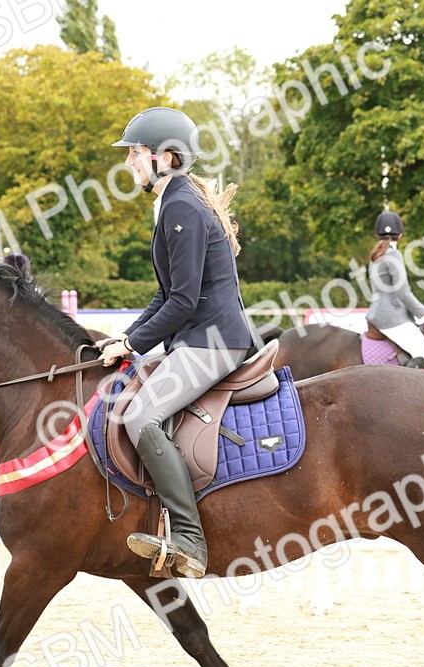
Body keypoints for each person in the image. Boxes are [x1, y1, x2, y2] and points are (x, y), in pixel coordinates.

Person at [96, 106, 253, 579]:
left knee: (141, 416)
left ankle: (189, 538)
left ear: (165, 156)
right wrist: (127, 338)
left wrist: (135, 342)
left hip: (212, 343)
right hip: (195, 338)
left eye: (135, 153)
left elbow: (183, 302)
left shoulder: (182, 206)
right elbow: (165, 295)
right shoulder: (174, 201)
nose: (129, 163)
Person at [363, 210, 424, 368]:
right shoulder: (393, 254)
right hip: (390, 317)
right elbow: (403, 292)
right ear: (400, 235)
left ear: (377, 234)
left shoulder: (376, 255)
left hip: (377, 313)